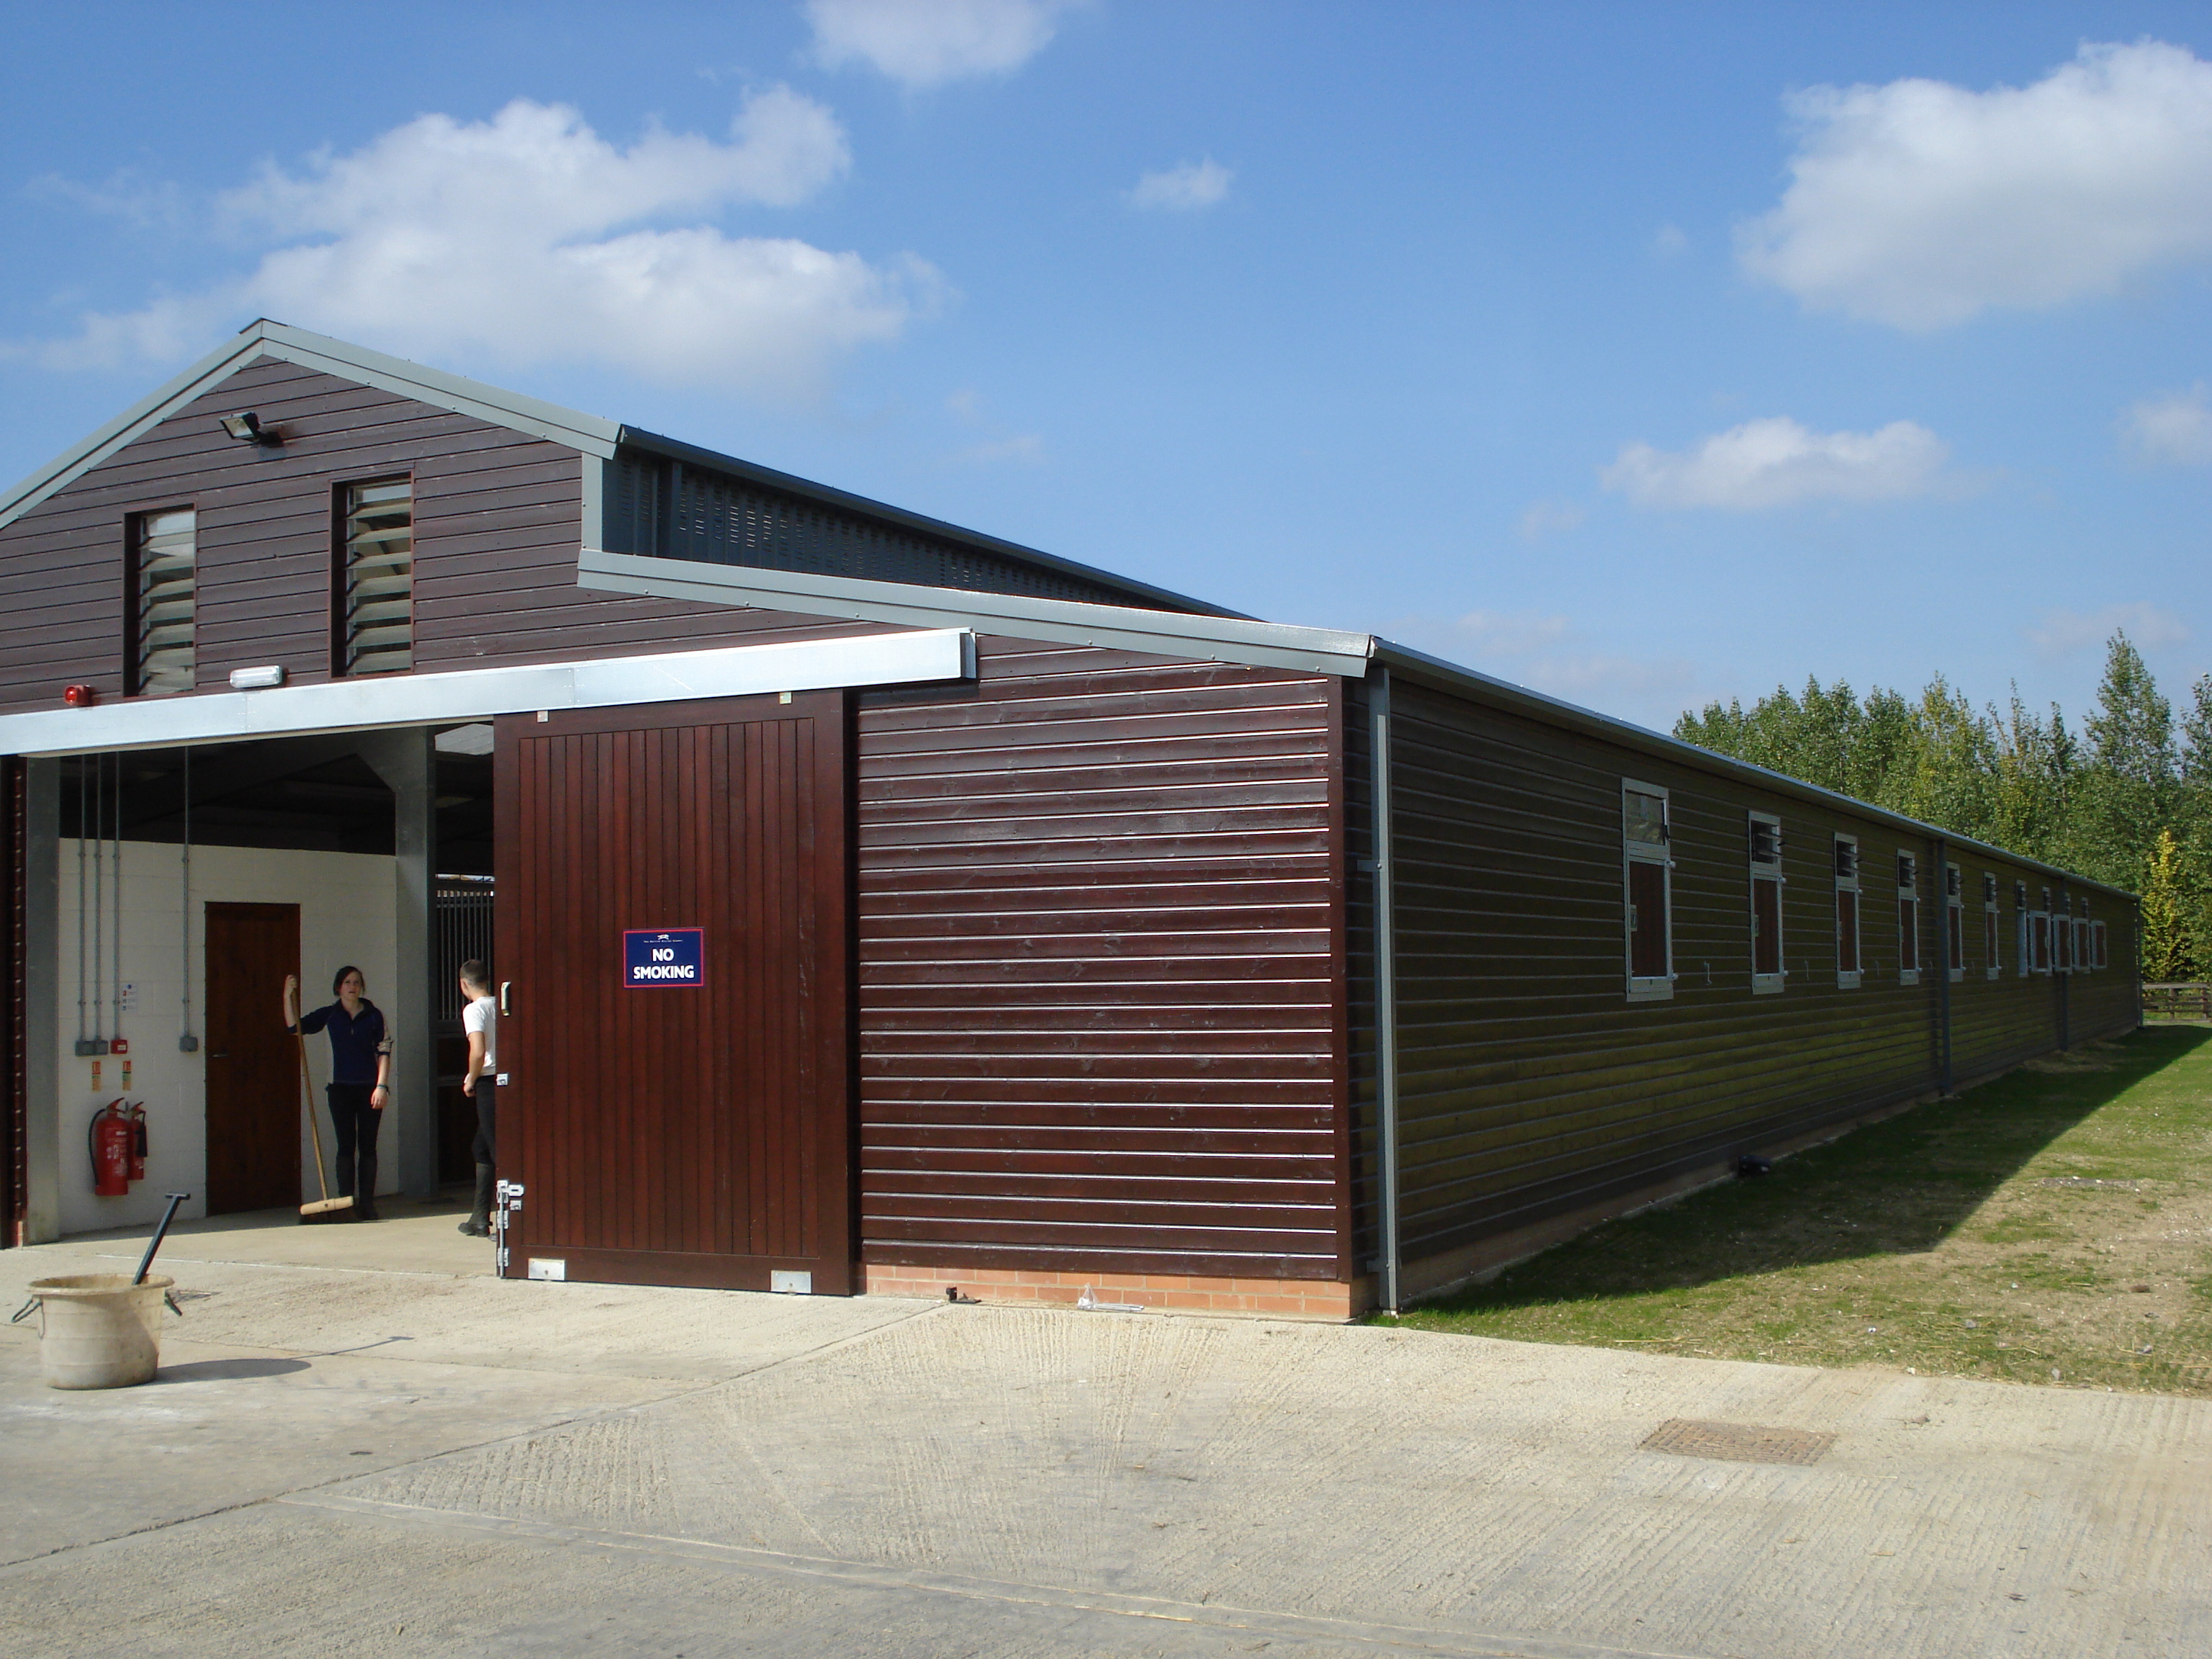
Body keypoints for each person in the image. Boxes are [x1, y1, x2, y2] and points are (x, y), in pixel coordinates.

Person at [283, 966, 393, 1221]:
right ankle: (347, 1202)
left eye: (356, 982)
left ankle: (367, 1203)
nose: (352, 986)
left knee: (368, 1146)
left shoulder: (374, 1015)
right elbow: (294, 1028)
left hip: (369, 1089)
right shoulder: (330, 1015)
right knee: (346, 1146)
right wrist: (287, 995)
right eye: (347, 982)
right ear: (338, 987)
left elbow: (384, 1051)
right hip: (340, 1089)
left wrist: (381, 1086)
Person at [457, 961, 498, 1237]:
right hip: (507, 1079)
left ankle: (515, 1216)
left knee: (497, 1149)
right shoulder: (501, 1003)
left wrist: (471, 1078)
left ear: (464, 984)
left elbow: (478, 1050)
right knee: (482, 1147)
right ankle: (479, 1216)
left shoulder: (473, 1010)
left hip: (487, 1081)